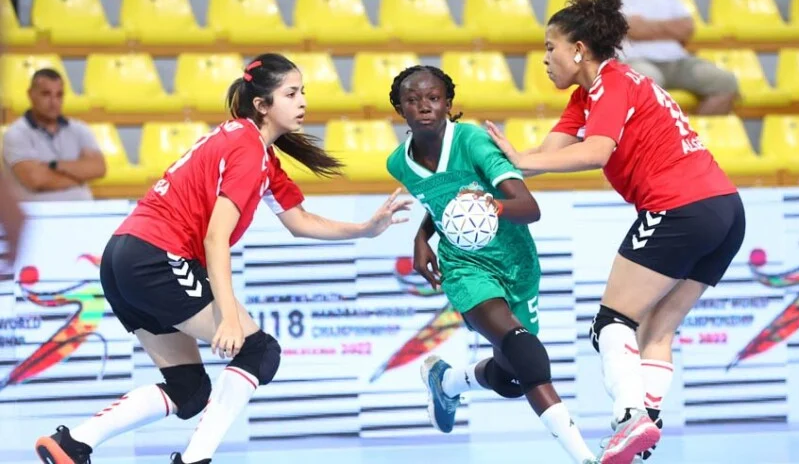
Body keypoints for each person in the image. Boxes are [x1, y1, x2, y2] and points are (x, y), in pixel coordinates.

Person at [34, 53, 411, 464]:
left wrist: (363, 230)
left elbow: (298, 220)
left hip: (124, 257)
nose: (302, 101)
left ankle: (73, 444)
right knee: (259, 351)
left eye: (303, 91)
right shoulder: (247, 149)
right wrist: (229, 317)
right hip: (156, 257)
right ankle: (194, 461)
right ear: (262, 105)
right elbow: (216, 238)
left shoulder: (256, 152)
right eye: (291, 93)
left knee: (189, 390)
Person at [485, 0, 745, 464]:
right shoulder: (589, 96)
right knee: (656, 329)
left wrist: (522, 161)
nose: (545, 59)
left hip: (679, 207)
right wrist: (491, 169)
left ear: (579, 50)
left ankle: (631, 419)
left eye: (551, 48)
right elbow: (544, 157)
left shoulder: (613, 83)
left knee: (612, 323)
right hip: (725, 210)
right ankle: (646, 422)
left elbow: (595, 153)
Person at [386, 65, 599, 464]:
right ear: (400, 109)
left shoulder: (474, 142)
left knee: (512, 378)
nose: (424, 107)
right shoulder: (399, 163)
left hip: (516, 263)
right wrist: (421, 236)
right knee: (528, 355)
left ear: (448, 103)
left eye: (433, 98)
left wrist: (493, 206)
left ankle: (447, 381)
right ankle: (586, 457)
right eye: (413, 101)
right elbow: (441, 200)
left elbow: (529, 208)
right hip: (465, 268)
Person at [616, 0, 738, 115]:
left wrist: (648, 26)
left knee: (726, 83)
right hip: (638, 61)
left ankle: (689, 133)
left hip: (678, 62)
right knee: (648, 86)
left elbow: (687, 29)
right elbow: (635, 30)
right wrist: (672, 27)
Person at [2, 68, 106, 202]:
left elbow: (98, 168)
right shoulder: (16, 133)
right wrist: (80, 177)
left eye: (59, 95)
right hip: (37, 218)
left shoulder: (80, 129)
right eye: (46, 94)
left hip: (83, 213)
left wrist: (53, 165)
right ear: (30, 94)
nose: (53, 101)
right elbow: (36, 179)